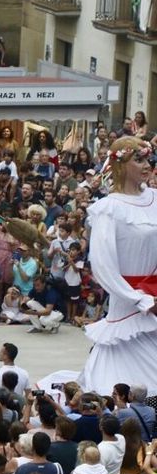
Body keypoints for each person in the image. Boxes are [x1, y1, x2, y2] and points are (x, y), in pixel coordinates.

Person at [78, 136, 157, 393]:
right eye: (139, 159)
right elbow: (103, 265)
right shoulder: (108, 208)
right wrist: (138, 298)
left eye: (147, 159)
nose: (147, 165)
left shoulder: (155, 198)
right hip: (129, 303)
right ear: (121, 164)